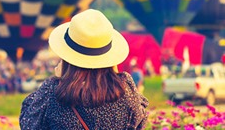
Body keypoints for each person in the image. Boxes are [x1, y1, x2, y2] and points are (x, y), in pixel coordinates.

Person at [20, 9, 149, 129]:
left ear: (67, 57)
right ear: (109, 58)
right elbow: (141, 119)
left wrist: (58, 78)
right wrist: (116, 75)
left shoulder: (52, 92)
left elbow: (28, 122)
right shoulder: (125, 90)